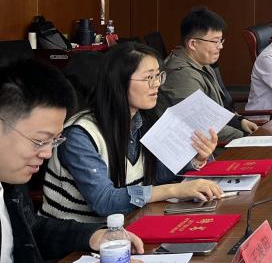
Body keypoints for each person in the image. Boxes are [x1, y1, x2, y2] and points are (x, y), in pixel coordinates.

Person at [0, 59, 146, 263]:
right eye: (39, 141)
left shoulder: (10, 182)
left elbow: (31, 230)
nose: (47, 153)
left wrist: (93, 236)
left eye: (54, 141)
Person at [42, 42, 222, 222]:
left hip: (127, 226)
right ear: (119, 81)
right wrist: (174, 190)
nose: (157, 84)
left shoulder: (143, 120)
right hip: (78, 235)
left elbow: (157, 176)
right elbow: (104, 201)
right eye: (148, 77)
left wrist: (196, 159)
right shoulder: (80, 134)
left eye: (158, 75)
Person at [160, 6, 257, 143]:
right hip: (203, 149)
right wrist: (245, 138)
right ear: (193, 44)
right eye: (215, 41)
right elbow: (201, 126)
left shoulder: (202, 63)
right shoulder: (181, 75)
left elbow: (216, 111)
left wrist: (239, 121)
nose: (220, 46)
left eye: (221, 41)